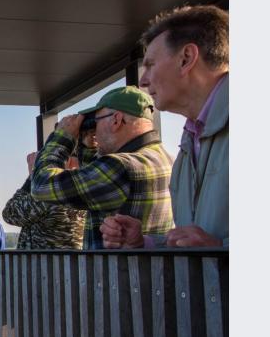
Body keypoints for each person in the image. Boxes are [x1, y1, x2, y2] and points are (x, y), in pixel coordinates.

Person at [101, 5, 229, 249]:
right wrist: (145, 242)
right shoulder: (191, 140)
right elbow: (198, 241)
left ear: (186, 58)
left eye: (150, 64)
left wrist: (221, 250)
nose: (143, 80)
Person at [31, 86, 174, 249]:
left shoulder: (120, 166)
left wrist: (61, 138)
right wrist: (88, 146)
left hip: (118, 272)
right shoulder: (167, 159)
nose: (95, 131)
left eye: (96, 122)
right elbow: (94, 180)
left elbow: (41, 186)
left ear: (116, 120)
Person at [3, 135, 90, 249]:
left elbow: (10, 213)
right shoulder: (88, 188)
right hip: (72, 264)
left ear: (67, 160)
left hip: (45, 264)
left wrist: (35, 176)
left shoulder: (52, 193)